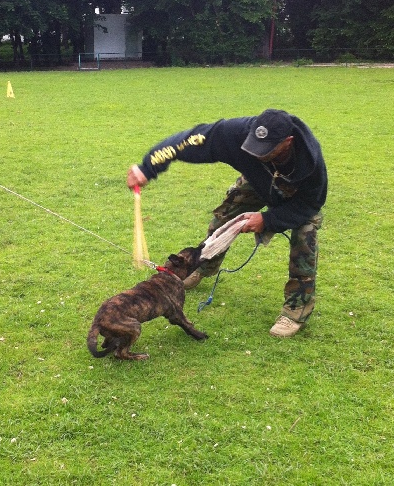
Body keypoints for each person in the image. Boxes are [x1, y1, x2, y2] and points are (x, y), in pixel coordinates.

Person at [126, 109, 327, 338]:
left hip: (298, 199)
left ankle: (297, 307)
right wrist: (147, 167)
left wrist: (267, 219)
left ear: (287, 142)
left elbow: (310, 205)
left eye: (267, 151)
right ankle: (204, 266)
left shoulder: (310, 161)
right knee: (222, 219)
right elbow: (187, 141)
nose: (258, 154)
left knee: (304, 240)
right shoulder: (235, 133)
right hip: (258, 182)